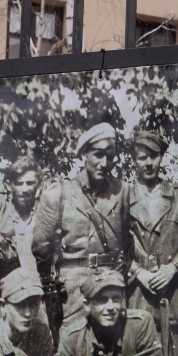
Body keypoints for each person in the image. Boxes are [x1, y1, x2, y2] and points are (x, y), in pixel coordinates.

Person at [33, 122, 130, 336]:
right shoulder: (58, 194)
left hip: (111, 287)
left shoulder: (122, 191)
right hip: (73, 293)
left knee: (115, 347)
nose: (104, 163)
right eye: (98, 155)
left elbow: (128, 240)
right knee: (74, 344)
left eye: (110, 156)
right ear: (84, 154)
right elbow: (41, 249)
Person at [126, 127, 178, 356]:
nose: (148, 163)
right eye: (142, 157)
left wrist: (173, 268)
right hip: (137, 292)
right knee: (139, 353)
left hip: (171, 291)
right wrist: (138, 272)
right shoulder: (123, 198)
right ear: (134, 160)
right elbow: (115, 246)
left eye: (154, 156)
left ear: (161, 156)